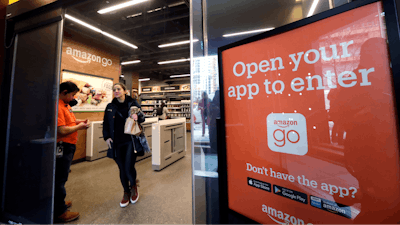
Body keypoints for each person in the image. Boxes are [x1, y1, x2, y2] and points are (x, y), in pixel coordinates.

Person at [103, 83, 145, 207]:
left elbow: (142, 118)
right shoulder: (110, 106)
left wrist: (138, 116)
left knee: (128, 166)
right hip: (116, 142)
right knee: (121, 168)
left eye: (118, 89)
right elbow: (105, 123)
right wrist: (106, 137)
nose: (116, 91)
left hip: (130, 140)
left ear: (125, 91)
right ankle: (126, 192)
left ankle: (133, 187)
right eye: (114, 90)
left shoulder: (132, 103)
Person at [55, 81, 90, 222]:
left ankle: (59, 203)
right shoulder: (57, 106)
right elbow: (62, 130)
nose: (73, 98)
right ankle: (60, 211)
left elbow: (68, 123)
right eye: (72, 95)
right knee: (60, 178)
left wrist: (79, 122)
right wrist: (79, 127)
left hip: (69, 145)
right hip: (63, 146)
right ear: (64, 92)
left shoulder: (65, 105)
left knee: (62, 176)